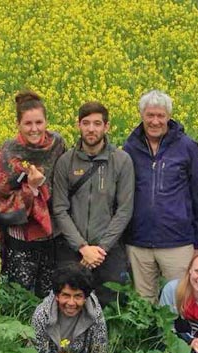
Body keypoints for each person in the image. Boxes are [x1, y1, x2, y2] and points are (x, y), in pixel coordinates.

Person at [124, 90, 198, 301]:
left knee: (181, 300)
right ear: (141, 115)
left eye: (160, 116)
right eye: (150, 115)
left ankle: (180, 336)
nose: (155, 121)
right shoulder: (130, 147)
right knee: (143, 306)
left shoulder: (187, 146)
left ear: (169, 117)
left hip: (178, 242)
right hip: (139, 242)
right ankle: (146, 337)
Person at [52, 102, 134, 306]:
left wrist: (99, 249)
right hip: (73, 249)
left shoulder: (122, 161)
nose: (91, 129)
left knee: (110, 305)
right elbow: (60, 209)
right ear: (78, 125)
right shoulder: (65, 162)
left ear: (106, 127)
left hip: (108, 250)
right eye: (86, 123)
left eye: (97, 123)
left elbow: (124, 210)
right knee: (69, 304)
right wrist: (82, 247)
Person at [0, 90, 67, 299]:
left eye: (39, 122)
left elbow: (65, 183)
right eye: (28, 124)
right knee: (21, 298)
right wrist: (31, 189)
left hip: (54, 234)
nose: (34, 129)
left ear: (46, 121)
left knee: (51, 297)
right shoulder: (9, 152)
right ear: (18, 124)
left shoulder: (57, 145)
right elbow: (0, 201)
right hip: (22, 238)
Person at [31, 264, 108, 353]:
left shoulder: (94, 313)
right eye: (66, 295)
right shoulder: (41, 315)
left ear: (85, 297)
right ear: (57, 295)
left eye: (77, 296)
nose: (71, 303)